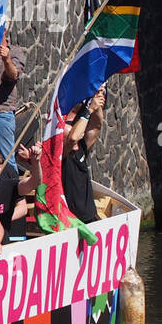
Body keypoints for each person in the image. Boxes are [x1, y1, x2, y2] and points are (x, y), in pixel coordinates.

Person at [62, 87, 104, 224]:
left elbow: (96, 125)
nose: (80, 135)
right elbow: (72, 138)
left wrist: (97, 101)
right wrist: (89, 110)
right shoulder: (62, 156)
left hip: (88, 216)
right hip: (70, 220)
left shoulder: (81, 149)